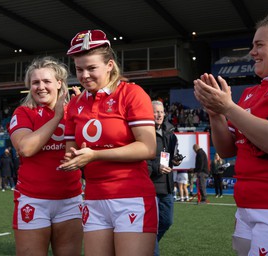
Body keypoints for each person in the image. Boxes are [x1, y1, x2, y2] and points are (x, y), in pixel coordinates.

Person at [193, 12, 268, 255]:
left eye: (260, 45)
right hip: (247, 206)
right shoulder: (252, 92)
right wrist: (215, 113)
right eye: (252, 45)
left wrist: (228, 107)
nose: (252, 52)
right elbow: (228, 149)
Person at [59, 29, 158, 256]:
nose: (84, 75)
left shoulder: (132, 94)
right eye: (79, 69)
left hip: (131, 196)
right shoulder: (75, 105)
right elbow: (71, 151)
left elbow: (148, 147)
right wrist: (71, 159)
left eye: (91, 68)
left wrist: (95, 155)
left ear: (110, 65)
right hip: (94, 198)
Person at [8, 56, 83, 256]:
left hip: (70, 199)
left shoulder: (75, 111)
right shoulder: (24, 112)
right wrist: (58, 115)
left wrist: (85, 109)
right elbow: (26, 148)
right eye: (35, 82)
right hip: (33, 199)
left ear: (59, 83)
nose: (41, 87)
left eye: (46, 81)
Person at [148, 100, 179, 256]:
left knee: (167, 222)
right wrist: (156, 167)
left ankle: (144, 247)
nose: (158, 115)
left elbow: (171, 155)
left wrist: (175, 160)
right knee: (152, 226)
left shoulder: (169, 132)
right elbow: (141, 159)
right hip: (150, 186)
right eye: (155, 112)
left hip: (167, 186)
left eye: (161, 112)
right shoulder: (144, 132)